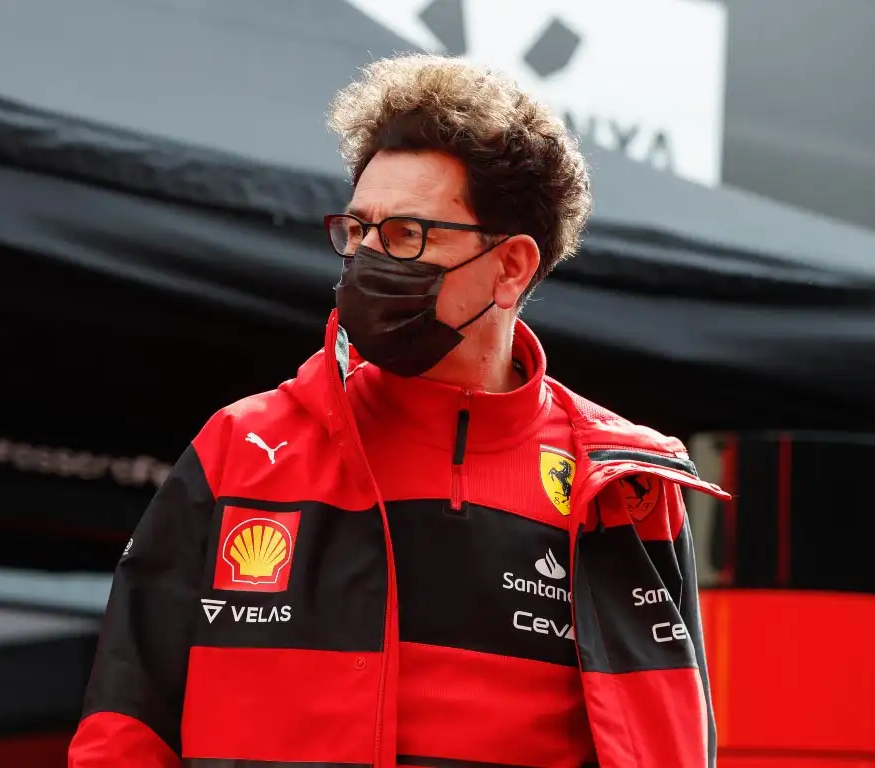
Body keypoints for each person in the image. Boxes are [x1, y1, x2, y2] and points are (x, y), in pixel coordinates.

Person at [69, 54, 729, 768]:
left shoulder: (625, 486)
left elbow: (672, 744)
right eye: (358, 231)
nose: (369, 259)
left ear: (511, 267)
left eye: (407, 235)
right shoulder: (243, 446)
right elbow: (124, 726)